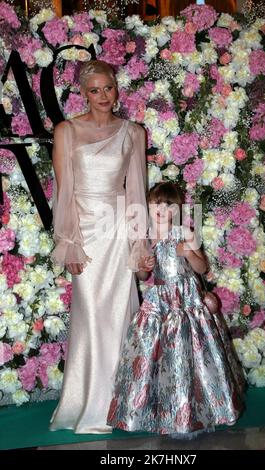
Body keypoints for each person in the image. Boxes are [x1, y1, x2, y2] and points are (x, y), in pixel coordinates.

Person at [49, 60, 148, 434]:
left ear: (116, 89)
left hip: (119, 231)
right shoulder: (66, 130)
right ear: (83, 92)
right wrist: (69, 243)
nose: (103, 96)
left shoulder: (133, 132)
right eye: (95, 90)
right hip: (86, 236)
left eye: (108, 88)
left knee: (120, 320)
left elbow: (136, 192)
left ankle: (122, 405)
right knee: (91, 317)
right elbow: (64, 192)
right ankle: (88, 406)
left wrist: (140, 244)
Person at [107, 182, 245, 435]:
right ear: (147, 206)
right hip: (160, 301)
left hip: (187, 299)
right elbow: (141, 275)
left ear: (177, 209)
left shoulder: (185, 233)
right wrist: (144, 265)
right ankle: (157, 411)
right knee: (155, 355)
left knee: (191, 353)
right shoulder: (146, 237)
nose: (161, 209)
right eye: (156, 203)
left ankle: (201, 408)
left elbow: (202, 268)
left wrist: (189, 254)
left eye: (168, 205)